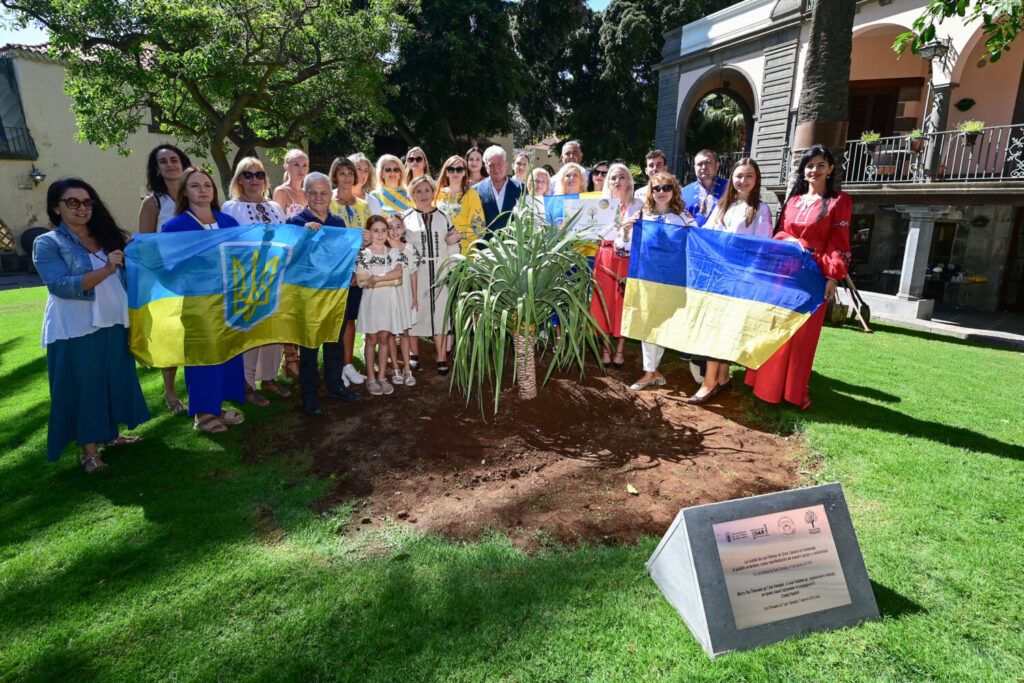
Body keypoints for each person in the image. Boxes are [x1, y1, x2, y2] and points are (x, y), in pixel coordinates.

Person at [34, 179, 150, 472]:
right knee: (84, 387)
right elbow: (60, 285)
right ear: (56, 207)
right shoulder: (47, 243)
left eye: (87, 202)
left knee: (111, 379)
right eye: (72, 202)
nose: (82, 208)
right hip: (75, 327)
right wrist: (107, 268)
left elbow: (128, 277)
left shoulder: (105, 236)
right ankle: (89, 452)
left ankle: (110, 436)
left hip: (113, 320)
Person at [744, 145, 852, 410]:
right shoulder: (793, 201)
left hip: (813, 276)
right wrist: (791, 239)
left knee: (802, 334)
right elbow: (779, 233)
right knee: (776, 328)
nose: (814, 170)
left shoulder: (840, 201)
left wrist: (832, 277)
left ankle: (793, 392)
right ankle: (765, 387)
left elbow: (839, 243)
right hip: (784, 272)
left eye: (820, 165)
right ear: (803, 171)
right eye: (809, 165)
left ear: (831, 169)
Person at [162, 168, 246, 433]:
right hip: (197, 302)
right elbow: (168, 266)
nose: (202, 190)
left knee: (225, 353)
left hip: (227, 300)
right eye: (195, 185)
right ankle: (202, 413)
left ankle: (216, 406)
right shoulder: (175, 226)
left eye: (207, 185)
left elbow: (241, 257)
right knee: (202, 356)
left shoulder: (228, 222)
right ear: (184, 192)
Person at [285, 172, 363, 414]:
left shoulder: (338, 224)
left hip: (334, 295)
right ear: (306, 195)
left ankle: (335, 385)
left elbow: (343, 256)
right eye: (313, 193)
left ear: (331, 195)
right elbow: (288, 261)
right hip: (308, 298)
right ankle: (310, 395)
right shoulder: (295, 223)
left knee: (335, 342)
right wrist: (302, 235)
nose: (319, 198)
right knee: (309, 348)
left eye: (323, 193)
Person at [220, 157, 291, 407]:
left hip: (275, 277)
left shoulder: (276, 208)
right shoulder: (230, 208)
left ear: (265, 179)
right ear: (239, 179)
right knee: (249, 331)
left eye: (259, 174)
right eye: (248, 175)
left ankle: (269, 379)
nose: (254, 180)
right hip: (245, 279)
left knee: (272, 330)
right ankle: (246, 384)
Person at [623, 172, 697, 392]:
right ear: (650, 191)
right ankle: (648, 372)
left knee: (664, 323)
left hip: (672, 280)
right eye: (657, 188)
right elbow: (626, 246)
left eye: (667, 188)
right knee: (647, 322)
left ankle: (654, 369)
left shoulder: (684, 218)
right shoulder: (642, 215)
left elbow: (696, 245)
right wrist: (627, 232)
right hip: (647, 279)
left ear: (674, 190)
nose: (662, 192)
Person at [137, 144, 191, 414]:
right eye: (163, 161)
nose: (170, 164)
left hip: (196, 278)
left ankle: (199, 387)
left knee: (194, 334)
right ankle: (170, 392)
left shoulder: (194, 194)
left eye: (174, 159)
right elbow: (146, 246)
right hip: (166, 279)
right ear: (156, 168)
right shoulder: (153, 202)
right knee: (170, 335)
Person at [402, 176, 461, 374]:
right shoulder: (406, 217)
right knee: (415, 311)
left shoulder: (444, 216)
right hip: (415, 273)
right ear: (412, 194)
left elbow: (452, 242)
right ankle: (414, 353)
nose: (423, 195)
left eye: (427, 190)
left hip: (441, 270)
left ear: (433, 192)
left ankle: (441, 356)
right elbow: (399, 246)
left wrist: (453, 270)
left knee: (441, 312)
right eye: (418, 191)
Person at [590, 163, 643, 368]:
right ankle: (605, 347)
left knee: (623, 301)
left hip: (628, 258)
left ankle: (620, 349)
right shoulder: (600, 204)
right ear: (608, 182)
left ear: (629, 180)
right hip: (604, 255)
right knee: (603, 301)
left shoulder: (638, 204)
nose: (617, 181)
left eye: (622, 177)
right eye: (613, 177)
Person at [329, 156, 374, 387]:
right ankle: (335, 367)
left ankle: (347, 364)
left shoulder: (364, 206)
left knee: (349, 320)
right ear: (334, 176)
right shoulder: (328, 204)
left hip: (358, 270)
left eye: (350, 173)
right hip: (335, 272)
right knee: (335, 318)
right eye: (342, 173)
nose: (346, 177)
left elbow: (371, 236)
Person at [355, 216, 409, 396]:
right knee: (371, 338)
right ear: (369, 232)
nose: (380, 234)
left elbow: (399, 275)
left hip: (388, 301)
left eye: (383, 230)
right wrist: (391, 280)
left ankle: (382, 376)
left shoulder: (393, 252)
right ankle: (370, 377)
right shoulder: (364, 254)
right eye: (375, 230)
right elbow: (362, 282)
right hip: (371, 302)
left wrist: (377, 278)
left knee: (385, 338)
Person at [388, 215, 420, 387]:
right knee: (393, 333)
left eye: (397, 226)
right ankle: (395, 367)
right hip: (390, 295)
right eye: (390, 227)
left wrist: (414, 296)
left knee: (406, 331)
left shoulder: (409, 248)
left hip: (406, 293)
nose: (394, 231)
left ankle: (407, 366)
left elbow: (413, 273)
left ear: (403, 229)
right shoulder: (384, 249)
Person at [434, 155, 486, 255]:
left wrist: (459, 235)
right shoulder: (437, 194)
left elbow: (479, 228)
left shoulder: (471, 195)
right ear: (446, 172)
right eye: (451, 169)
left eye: (459, 169)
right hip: (440, 255)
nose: (455, 172)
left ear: (464, 173)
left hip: (465, 255)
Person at [473, 146, 523, 238]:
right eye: (491, 165)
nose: (496, 168)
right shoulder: (475, 191)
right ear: (486, 167)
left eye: (499, 164)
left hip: (514, 248)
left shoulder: (521, 188)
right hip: (485, 249)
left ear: (506, 165)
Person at [681, 149, 728, 227]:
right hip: (693, 238)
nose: (703, 167)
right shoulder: (683, 193)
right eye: (699, 164)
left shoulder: (731, 188)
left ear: (717, 165)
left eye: (708, 163)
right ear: (694, 168)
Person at [272, 148, 310, 218]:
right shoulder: (281, 192)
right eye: (296, 164)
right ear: (286, 167)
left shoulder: (307, 193)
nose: (301, 169)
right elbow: (277, 223)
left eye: (304, 165)